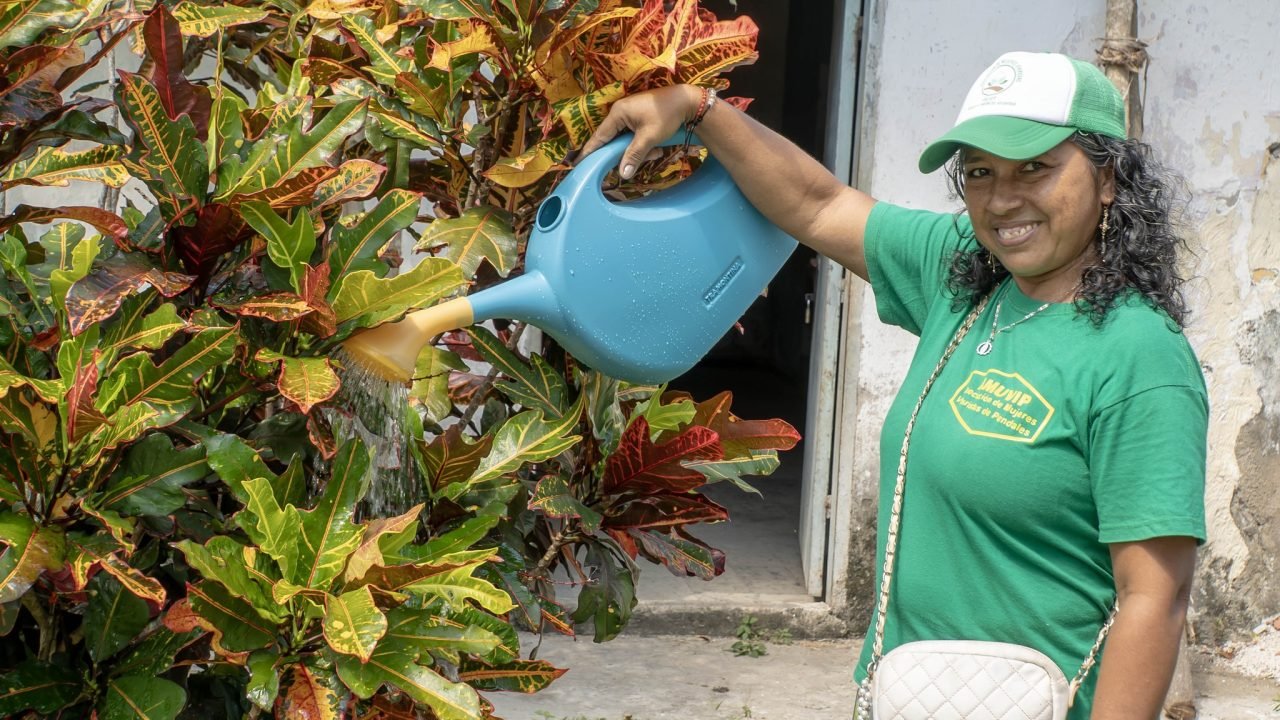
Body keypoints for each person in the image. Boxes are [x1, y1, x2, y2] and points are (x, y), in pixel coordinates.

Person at [580, 50, 1206, 720]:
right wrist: (698, 109)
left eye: (1036, 168)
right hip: (914, 695)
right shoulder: (965, 276)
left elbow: (1153, 597)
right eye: (979, 172)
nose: (1001, 199)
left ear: (1108, 178)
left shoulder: (1138, 355)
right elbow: (816, 205)